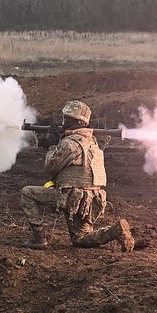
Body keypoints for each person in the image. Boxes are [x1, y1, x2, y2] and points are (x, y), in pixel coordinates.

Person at [20, 100, 135, 252]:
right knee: (81, 239)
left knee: (27, 193)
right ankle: (114, 231)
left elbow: (50, 167)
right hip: (90, 199)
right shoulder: (92, 141)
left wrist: (50, 146)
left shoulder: (70, 143)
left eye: (67, 119)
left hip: (71, 197)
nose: (63, 121)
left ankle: (38, 238)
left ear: (78, 122)